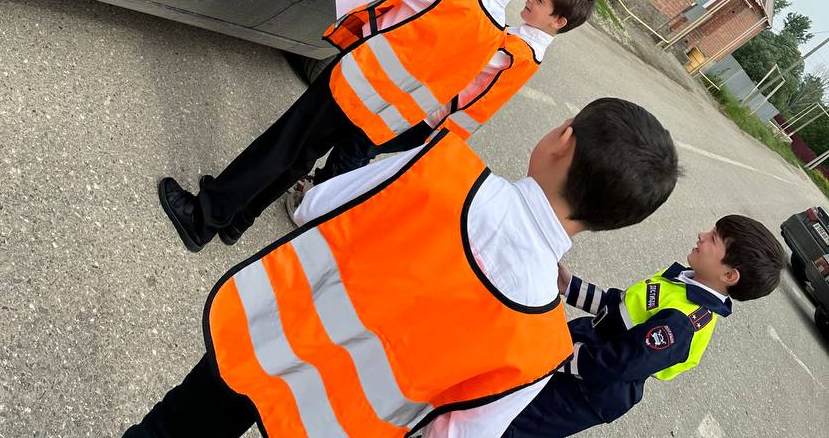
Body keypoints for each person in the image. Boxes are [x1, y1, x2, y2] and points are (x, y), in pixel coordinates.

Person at [123, 98, 680, 437]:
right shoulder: (542, 342)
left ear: (563, 139)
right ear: (611, 221)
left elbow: (318, 207)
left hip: (275, 337)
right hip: (340, 425)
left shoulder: (442, 167)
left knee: (176, 428)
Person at [155, 0, 558, 252]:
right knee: (299, 158)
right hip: (378, 113)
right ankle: (238, 219)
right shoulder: (496, 35)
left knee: (281, 147)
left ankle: (203, 217)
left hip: (350, 85)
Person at [284, 0, 596, 220]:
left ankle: (318, 206)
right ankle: (325, 195)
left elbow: (467, 48)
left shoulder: (518, 50)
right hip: (429, 116)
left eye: (539, 0)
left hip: (427, 116)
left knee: (357, 146)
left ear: (558, 21)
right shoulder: (525, 44)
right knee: (358, 145)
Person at [503, 215, 785, 436]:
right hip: (581, 354)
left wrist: (550, 356)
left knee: (511, 424)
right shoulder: (683, 281)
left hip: (586, 390)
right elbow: (622, 306)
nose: (701, 235)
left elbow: (616, 363)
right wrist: (570, 286)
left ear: (729, 275)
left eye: (713, 238)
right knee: (502, 399)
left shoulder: (683, 323)